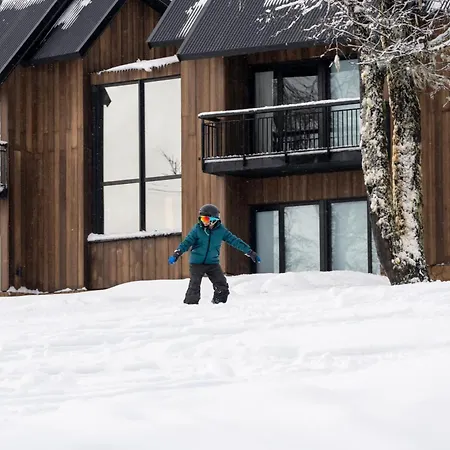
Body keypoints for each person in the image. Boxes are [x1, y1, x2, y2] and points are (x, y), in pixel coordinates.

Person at [168, 204, 261, 304]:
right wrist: (177, 254)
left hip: (212, 263)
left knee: (222, 286)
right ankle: (190, 307)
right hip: (197, 263)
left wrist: (250, 252)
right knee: (194, 287)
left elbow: (235, 241)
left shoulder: (221, 231)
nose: (203, 221)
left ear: (214, 220)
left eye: (205, 219)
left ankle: (217, 306)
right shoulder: (197, 229)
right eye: (202, 219)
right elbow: (186, 243)